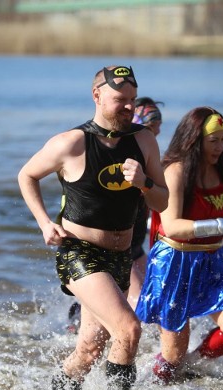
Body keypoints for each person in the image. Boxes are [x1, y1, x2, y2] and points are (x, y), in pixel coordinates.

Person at [17, 65, 168, 390]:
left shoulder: (143, 141)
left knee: (89, 350)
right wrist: (44, 221)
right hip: (79, 252)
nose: (129, 108)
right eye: (120, 100)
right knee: (128, 330)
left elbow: (163, 200)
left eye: (131, 100)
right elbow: (26, 176)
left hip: (122, 256)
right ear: (97, 95)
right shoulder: (71, 143)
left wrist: (144, 182)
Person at [135, 107, 223, 384]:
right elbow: (173, 225)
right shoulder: (174, 171)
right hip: (175, 262)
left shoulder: (218, 170)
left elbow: (210, 208)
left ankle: (192, 366)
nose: (220, 147)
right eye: (214, 141)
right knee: (173, 355)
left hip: (212, 261)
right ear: (194, 140)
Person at [66, 96, 164, 332]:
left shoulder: (150, 160)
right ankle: (80, 317)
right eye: (149, 129)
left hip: (135, 244)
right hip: (112, 248)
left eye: (156, 131)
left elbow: (163, 201)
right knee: (135, 306)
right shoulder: (118, 161)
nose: (151, 137)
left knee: (149, 305)